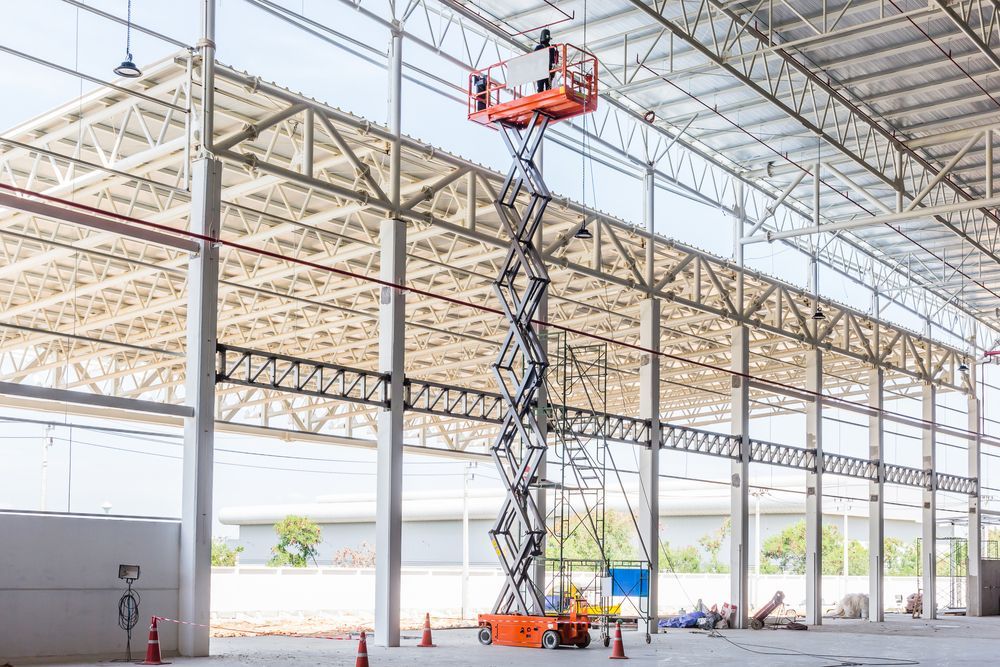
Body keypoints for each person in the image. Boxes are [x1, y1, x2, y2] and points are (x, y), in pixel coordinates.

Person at [534, 28, 558, 93]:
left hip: (543, 70)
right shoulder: (551, 48)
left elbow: (534, 59)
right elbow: (553, 60)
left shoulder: (539, 47)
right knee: (546, 87)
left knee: (542, 88)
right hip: (546, 70)